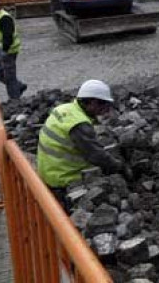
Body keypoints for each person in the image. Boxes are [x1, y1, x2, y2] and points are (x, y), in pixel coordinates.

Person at [37, 80, 128, 209]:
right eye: (103, 105)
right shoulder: (79, 124)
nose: (106, 109)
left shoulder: (64, 109)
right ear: (92, 102)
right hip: (63, 178)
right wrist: (119, 167)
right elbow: (96, 156)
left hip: (48, 171)